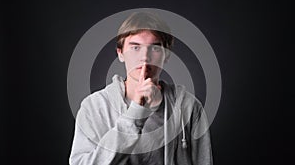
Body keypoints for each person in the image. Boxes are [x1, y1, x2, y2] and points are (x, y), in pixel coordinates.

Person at [69, 12, 213, 165]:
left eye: (155, 48)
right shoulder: (94, 107)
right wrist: (136, 112)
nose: (145, 57)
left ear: (167, 55)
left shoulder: (189, 106)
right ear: (120, 53)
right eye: (135, 47)